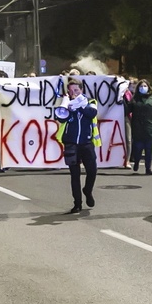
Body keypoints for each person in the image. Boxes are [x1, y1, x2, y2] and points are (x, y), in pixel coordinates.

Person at [58, 78, 99, 213]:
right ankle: (77, 203)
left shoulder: (91, 102)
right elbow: (61, 118)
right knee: (74, 175)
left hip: (86, 143)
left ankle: (87, 190)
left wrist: (80, 105)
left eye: (76, 90)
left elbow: (91, 113)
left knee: (92, 171)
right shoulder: (66, 104)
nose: (73, 93)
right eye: (71, 91)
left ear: (81, 90)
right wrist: (67, 106)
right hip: (71, 143)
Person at [126, 78, 152, 175]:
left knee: (148, 149)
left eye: (145, 86)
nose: (143, 88)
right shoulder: (134, 99)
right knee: (138, 148)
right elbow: (127, 111)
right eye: (141, 86)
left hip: (149, 127)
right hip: (137, 127)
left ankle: (148, 168)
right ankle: (137, 162)